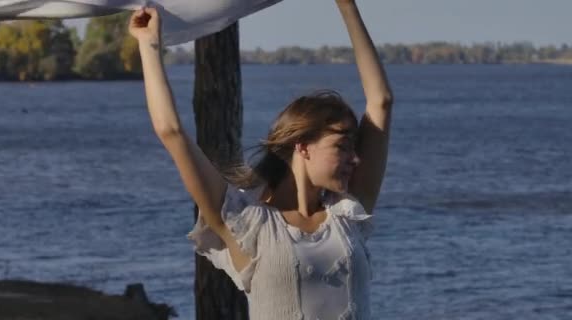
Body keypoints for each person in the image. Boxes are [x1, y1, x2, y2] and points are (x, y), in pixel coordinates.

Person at [129, 0, 393, 318]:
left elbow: (381, 101)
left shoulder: (347, 216)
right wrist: (149, 45)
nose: (356, 159)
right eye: (343, 146)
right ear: (302, 146)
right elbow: (171, 131)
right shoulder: (247, 224)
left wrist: (346, 6)